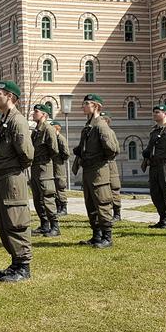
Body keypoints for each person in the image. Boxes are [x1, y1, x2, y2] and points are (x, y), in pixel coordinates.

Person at [0, 80, 34, 282]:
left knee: (16, 221)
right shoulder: (5, 120)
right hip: (0, 176)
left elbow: (27, 153)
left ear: (9, 96)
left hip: (12, 177)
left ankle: (23, 266)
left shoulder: (17, 121)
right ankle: (15, 263)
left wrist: (13, 165)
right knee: (5, 222)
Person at [73, 94, 119, 249]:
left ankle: (107, 236)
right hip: (88, 169)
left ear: (96, 106)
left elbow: (112, 149)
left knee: (102, 202)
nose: (83, 106)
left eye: (86, 103)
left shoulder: (100, 126)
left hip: (98, 170)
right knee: (90, 204)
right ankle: (96, 235)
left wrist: (98, 159)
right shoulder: (88, 126)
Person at [29, 104, 60, 237]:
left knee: (47, 197)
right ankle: (44, 224)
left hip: (44, 167)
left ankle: (55, 226)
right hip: (35, 167)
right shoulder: (36, 130)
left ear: (44, 115)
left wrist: (45, 159)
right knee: (37, 198)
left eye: (36, 112)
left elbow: (54, 149)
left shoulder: (48, 129)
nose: (33, 114)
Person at [51, 121, 70, 216]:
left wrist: (59, 159)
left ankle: (63, 207)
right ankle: (58, 206)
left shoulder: (61, 139)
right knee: (54, 187)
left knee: (60, 186)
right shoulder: (53, 139)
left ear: (56, 128)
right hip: (53, 166)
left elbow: (66, 153)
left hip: (59, 166)